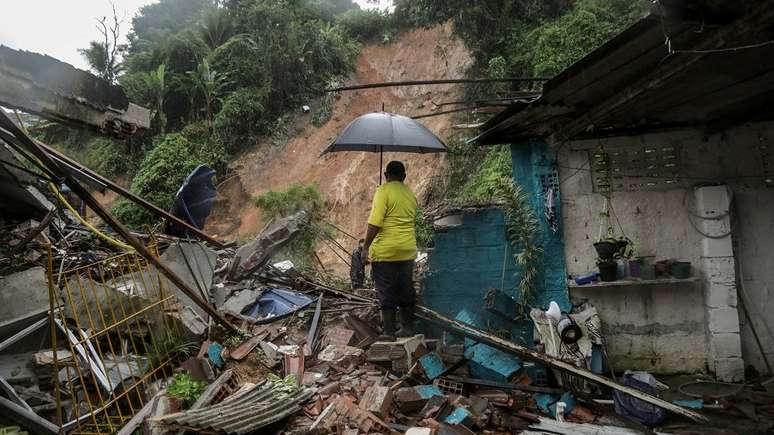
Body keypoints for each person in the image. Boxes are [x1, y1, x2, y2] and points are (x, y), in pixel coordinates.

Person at [361, 161, 418, 341]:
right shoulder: (410, 193)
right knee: (405, 287)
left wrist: (365, 247)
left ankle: (389, 333)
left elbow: (375, 222)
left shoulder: (383, 191)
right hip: (407, 250)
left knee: (386, 290)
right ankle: (407, 328)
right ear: (404, 176)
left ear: (386, 175)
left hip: (386, 252)